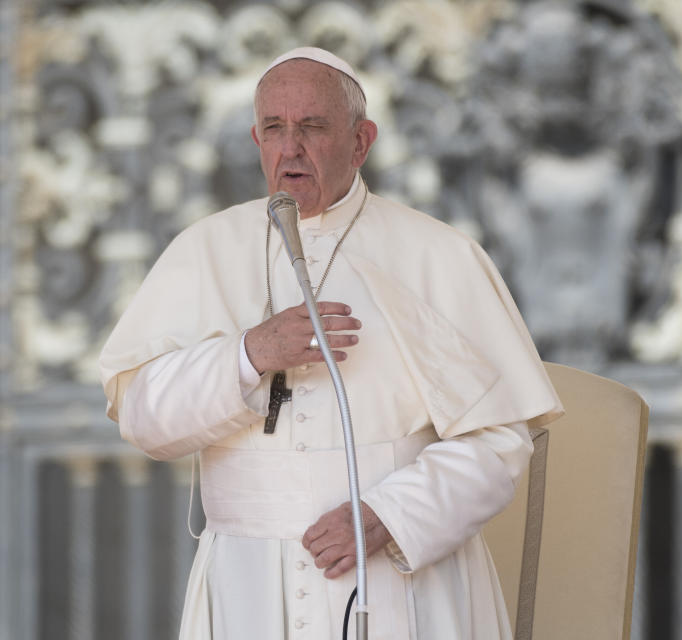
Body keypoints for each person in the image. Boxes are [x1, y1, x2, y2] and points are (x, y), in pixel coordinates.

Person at [99, 47, 562, 639]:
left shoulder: (438, 254)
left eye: (313, 127)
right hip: (248, 586)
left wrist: (389, 516)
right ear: (256, 138)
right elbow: (143, 417)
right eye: (274, 129)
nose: (290, 148)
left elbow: (499, 438)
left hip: (400, 579)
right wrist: (250, 355)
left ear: (361, 140)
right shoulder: (203, 249)